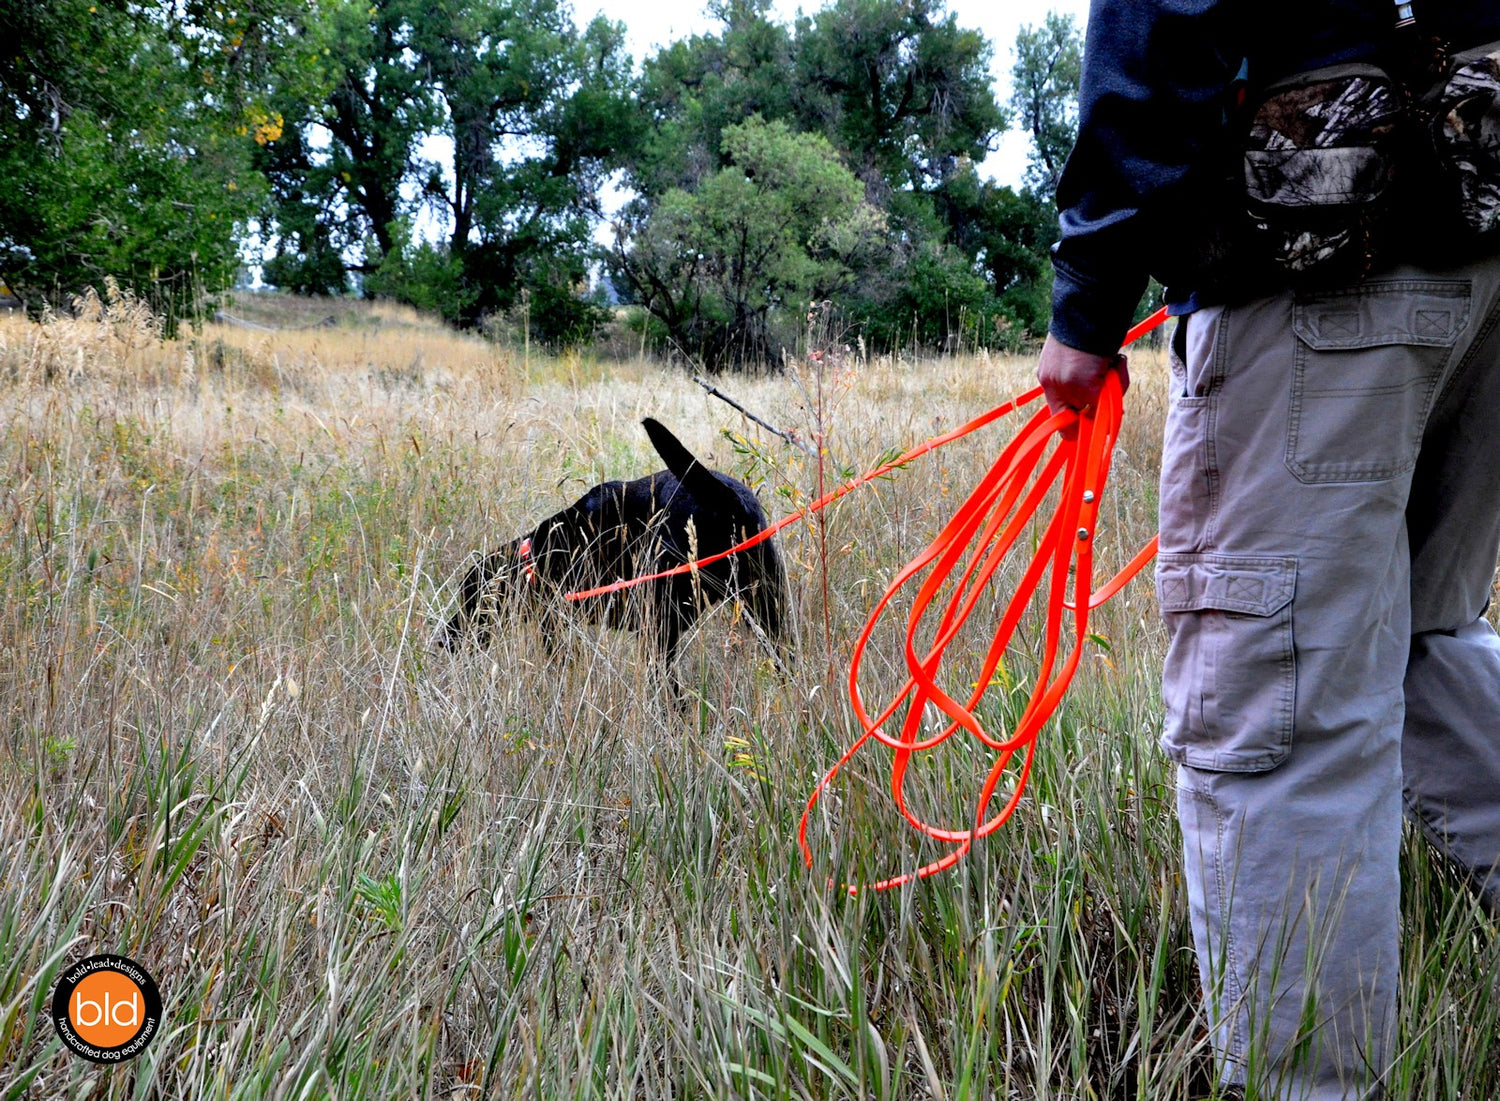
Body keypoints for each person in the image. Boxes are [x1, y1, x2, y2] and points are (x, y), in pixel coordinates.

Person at [1036, 1, 1500, 1097]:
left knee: (1277, 720)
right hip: (1483, 258)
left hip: (1323, 293)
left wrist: (1089, 302)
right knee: (1426, 634)